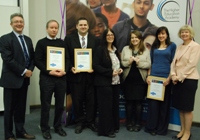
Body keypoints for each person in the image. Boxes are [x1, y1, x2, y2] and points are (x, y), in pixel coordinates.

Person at [0, 13, 35, 140]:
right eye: (16, 22)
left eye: (21, 21)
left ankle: (20, 131)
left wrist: (30, 70)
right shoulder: (4, 39)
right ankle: (9, 135)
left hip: (24, 80)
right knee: (9, 110)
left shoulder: (28, 39)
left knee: (20, 108)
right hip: (11, 80)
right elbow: (8, 60)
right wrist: (24, 71)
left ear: (23, 23)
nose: (19, 24)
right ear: (11, 24)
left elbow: (32, 58)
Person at [35, 20, 69, 139]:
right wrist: (49, 71)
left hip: (61, 78)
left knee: (60, 105)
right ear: (47, 28)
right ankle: (45, 128)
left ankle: (58, 126)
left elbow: (67, 59)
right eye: (51, 27)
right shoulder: (41, 43)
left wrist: (65, 70)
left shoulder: (62, 43)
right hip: (47, 78)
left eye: (56, 28)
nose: (54, 30)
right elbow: (37, 61)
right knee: (46, 104)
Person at [64, 17, 98, 134]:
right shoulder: (69, 39)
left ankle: (90, 121)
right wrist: (70, 68)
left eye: (85, 25)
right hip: (75, 76)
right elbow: (66, 56)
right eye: (81, 25)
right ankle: (79, 122)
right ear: (77, 26)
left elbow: (97, 56)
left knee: (91, 101)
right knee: (77, 101)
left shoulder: (95, 39)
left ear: (88, 26)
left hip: (90, 76)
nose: (83, 27)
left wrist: (93, 67)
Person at [145, 26, 176, 136]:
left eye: (163, 33)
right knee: (153, 105)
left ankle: (161, 129)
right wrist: (148, 76)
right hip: (154, 79)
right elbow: (151, 62)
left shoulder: (172, 46)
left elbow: (173, 63)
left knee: (164, 105)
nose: (161, 36)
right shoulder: (154, 46)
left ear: (167, 35)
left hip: (165, 80)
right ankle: (151, 127)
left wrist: (169, 78)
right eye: (159, 34)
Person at [170, 25, 200, 140]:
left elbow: (192, 64)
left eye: (186, 32)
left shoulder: (195, 46)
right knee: (180, 107)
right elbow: (174, 63)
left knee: (187, 108)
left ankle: (187, 132)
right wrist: (173, 75)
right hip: (177, 79)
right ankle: (182, 130)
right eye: (182, 32)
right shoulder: (179, 46)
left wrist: (179, 77)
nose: (184, 34)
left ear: (190, 34)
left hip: (189, 80)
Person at [93, 28, 123, 138]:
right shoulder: (100, 49)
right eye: (108, 35)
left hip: (115, 83)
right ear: (104, 37)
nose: (110, 36)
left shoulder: (115, 50)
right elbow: (96, 66)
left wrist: (120, 70)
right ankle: (105, 130)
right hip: (103, 83)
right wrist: (110, 72)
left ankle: (113, 126)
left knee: (114, 106)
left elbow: (116, 65)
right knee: (105, 108)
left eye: (112, 35)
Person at [121, 30, 151, 132]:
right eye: (132, 38)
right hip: (128, 80)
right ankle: (129, 123)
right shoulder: (125, 49)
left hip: (140, 81)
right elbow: (122, 63)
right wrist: (128, 62)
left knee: (139, 103)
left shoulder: (145, 50)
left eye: (136, 38)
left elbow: (148, 64)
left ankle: (137, 123)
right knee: (128, 103)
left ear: (140, 39)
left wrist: (139, 63)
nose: (134, 39)